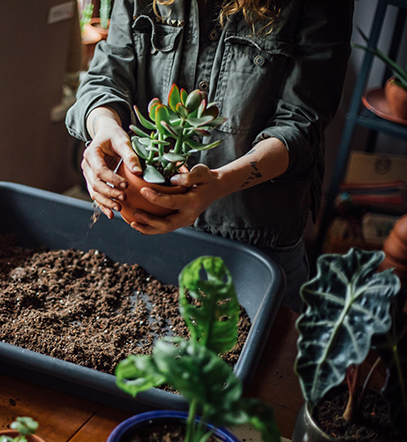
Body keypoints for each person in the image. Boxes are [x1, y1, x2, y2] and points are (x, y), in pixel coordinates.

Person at [65, 0, 354, 313]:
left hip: (254, 241)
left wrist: (219, 182)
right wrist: (103, 126)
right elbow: (107, 75)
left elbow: (301, 126)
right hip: (147, 228)